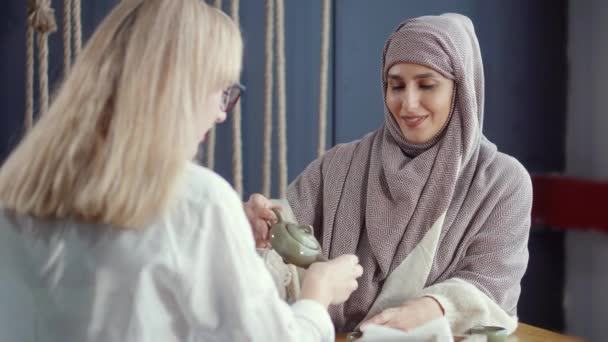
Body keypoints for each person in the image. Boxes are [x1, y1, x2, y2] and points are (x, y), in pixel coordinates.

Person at [0, 1, 362, 341]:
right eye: (221, 91)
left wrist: (229, 232)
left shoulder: (18, 188)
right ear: (179, 87)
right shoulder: (199, 200)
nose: (222, 113)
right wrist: (318, 293)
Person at [245, 13, 532, 335]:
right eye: (396, 85)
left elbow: (493, 286)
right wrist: (254, 227)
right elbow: (283, 240)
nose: (408, 104)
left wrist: (433, 308)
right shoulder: (340, 165)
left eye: (427, 85)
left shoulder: (502, 182)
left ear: (461, 89)